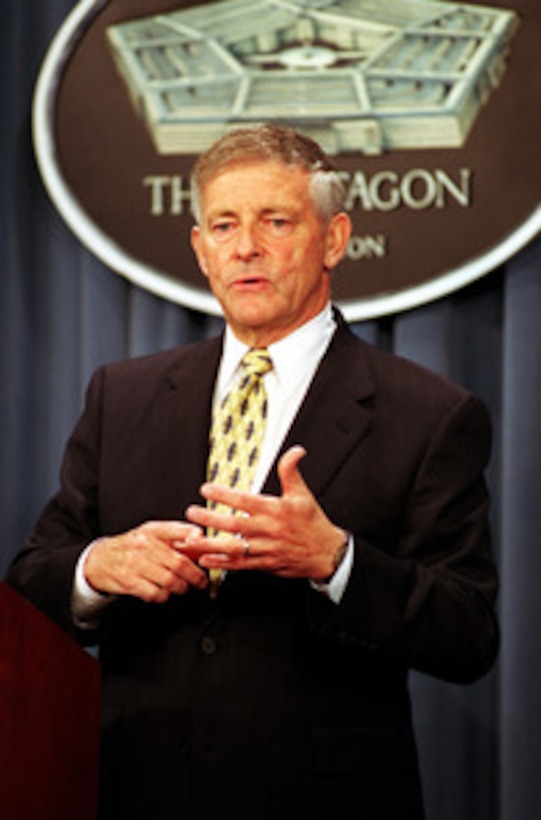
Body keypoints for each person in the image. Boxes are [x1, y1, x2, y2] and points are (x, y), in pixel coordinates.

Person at [7, 124, 499, 820]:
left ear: (333, 239)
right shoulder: (122, 394)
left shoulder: (429, 413)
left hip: (321, 798)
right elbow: (30, 582)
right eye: (224, 224)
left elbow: (468, 633)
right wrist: (97, 567)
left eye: (275, 221)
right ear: (200, 249)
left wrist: (336, 561)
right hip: (137, 787)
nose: (245, 247)